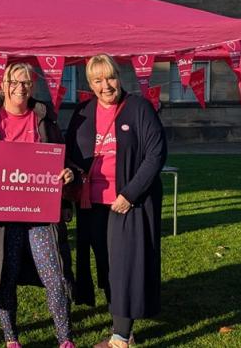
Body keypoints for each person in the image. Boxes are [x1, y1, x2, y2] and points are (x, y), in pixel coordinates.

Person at [0, 62, 77, 348]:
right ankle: (11, 338)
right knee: (5, 275)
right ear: (3, 84)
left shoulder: (44, 117)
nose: (20, 88)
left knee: (55, 274)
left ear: (32, 85)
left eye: (26, 82)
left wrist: (68, 171)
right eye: (14, 82)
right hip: (3, 216)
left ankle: (65, 339)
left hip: (40, 212)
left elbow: (62, 157)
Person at [65, 54, 167, 348]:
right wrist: (69, 172)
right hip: (92, 204)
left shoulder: (139, 108)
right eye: (98, 80)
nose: (105, 85)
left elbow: (155, 155)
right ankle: (121, 324)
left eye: (110, 77)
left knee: (124, 265)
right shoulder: (83, 111)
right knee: (107, 265)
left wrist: (130, 194)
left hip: (127, 204)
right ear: (90, 83)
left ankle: (121, 337)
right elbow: (70, 153)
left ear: (119, 77)